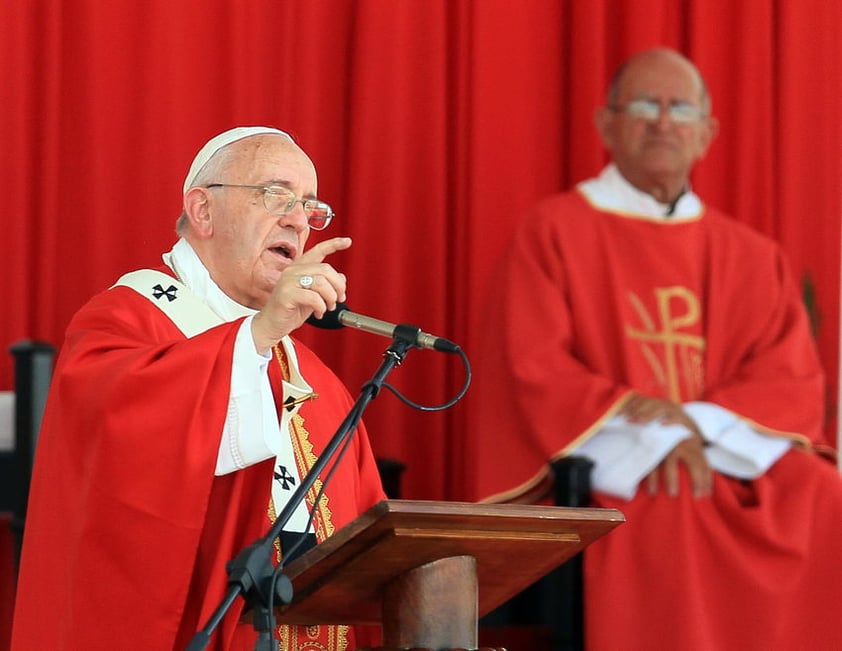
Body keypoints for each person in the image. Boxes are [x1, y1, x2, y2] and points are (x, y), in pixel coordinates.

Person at [468, 48, 842, 649]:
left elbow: (789, 374)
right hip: (619, 453)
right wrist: (658, 438)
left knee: (824, 494)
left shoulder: (750, 253)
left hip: (724, 448)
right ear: (606, 124)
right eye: (644, 105)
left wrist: (694, 426)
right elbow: (533, 366)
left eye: (680, 108)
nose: (662, 121)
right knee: (669, 497)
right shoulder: (555, 230)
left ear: (707, 132)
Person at [11, 126, 386, 650]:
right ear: (203, 211)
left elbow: (368, 543)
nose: (298, 220)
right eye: (276, 195)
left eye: (309, 206)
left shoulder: (318, 382)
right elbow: (117, 458)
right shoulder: (125, 319)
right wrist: (255, 338)